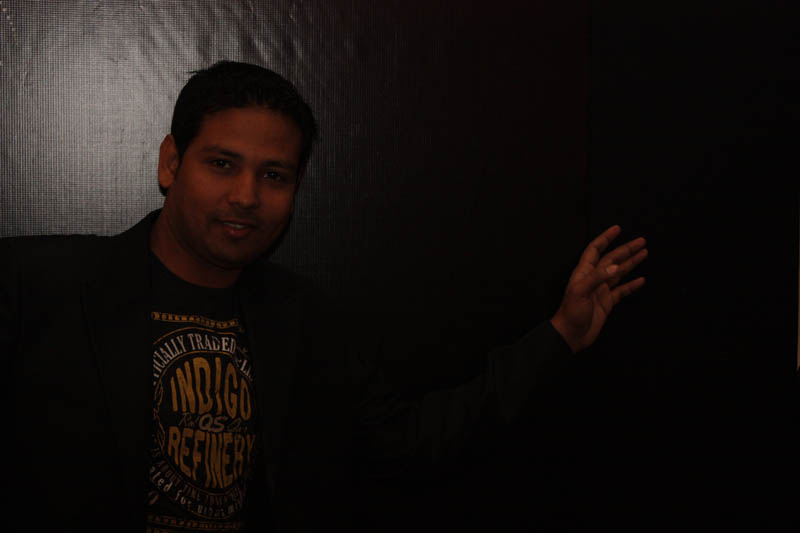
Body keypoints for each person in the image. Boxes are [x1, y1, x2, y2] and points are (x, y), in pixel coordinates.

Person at [1, 61, 647, 532]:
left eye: (274, 175)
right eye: (222, 163)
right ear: (172, 162)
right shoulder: (40, 286)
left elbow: (415, 444)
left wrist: (560, 335)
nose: (247, 196)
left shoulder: (306, 323)